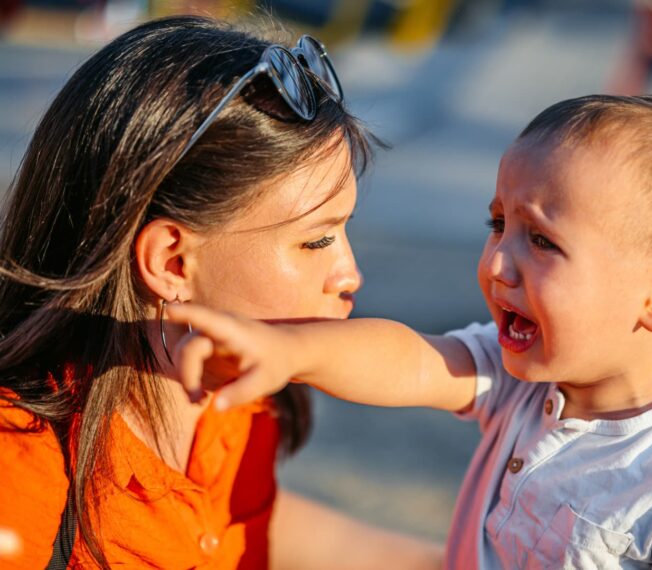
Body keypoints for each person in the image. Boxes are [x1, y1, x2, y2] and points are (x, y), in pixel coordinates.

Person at [168, 95, 652, 568]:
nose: (495, 264)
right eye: (497, 223)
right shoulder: (525, 389)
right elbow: (413, 361)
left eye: (540, 240)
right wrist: (287, 348)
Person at [0, 16, 441, 569]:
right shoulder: (20, 466)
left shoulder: (242, 398)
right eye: (317, 240)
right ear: (172, 262)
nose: (349, 275)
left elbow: (243, 524)